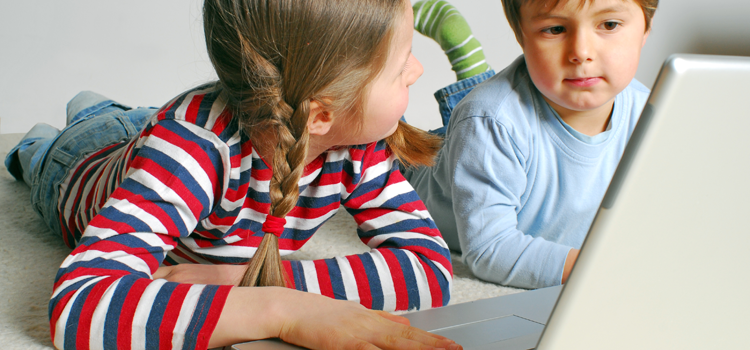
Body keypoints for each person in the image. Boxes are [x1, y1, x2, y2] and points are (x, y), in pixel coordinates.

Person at [4, 0, 462, 349]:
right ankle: (47, 136)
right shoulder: (190, 151)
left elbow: (430, 268)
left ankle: (102, 108)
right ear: (321, 113)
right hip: (83, 162)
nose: (417, 70)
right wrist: (281, 310)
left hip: (156, 126)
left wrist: (248, 280)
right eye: (401, 64)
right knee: (49, 146)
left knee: (129, 116)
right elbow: (79, 308)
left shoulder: (356, 143)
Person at [404, 0, 658, 289]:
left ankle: (472, 71)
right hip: (420, 168)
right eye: (555, 29)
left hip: (493, 129)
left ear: (646, 28)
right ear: (519, 33)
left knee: (480, 116)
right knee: (380, 132)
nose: (582, 53)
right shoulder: (489, 121)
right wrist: (600, 269)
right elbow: (490, 249)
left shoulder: (649, 109)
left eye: (609, 25)